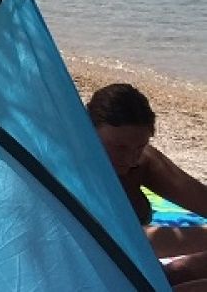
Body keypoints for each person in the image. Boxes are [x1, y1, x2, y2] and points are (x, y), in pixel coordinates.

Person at [87, 84, 207, 288]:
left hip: (132, 272)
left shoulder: (141, 162)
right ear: (88, 132)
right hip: (86, 276)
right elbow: (126, 240)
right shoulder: (72, 170)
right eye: (119, 148)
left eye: (139, 147)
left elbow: (201, 199)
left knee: (185, 269)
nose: (130, 158)